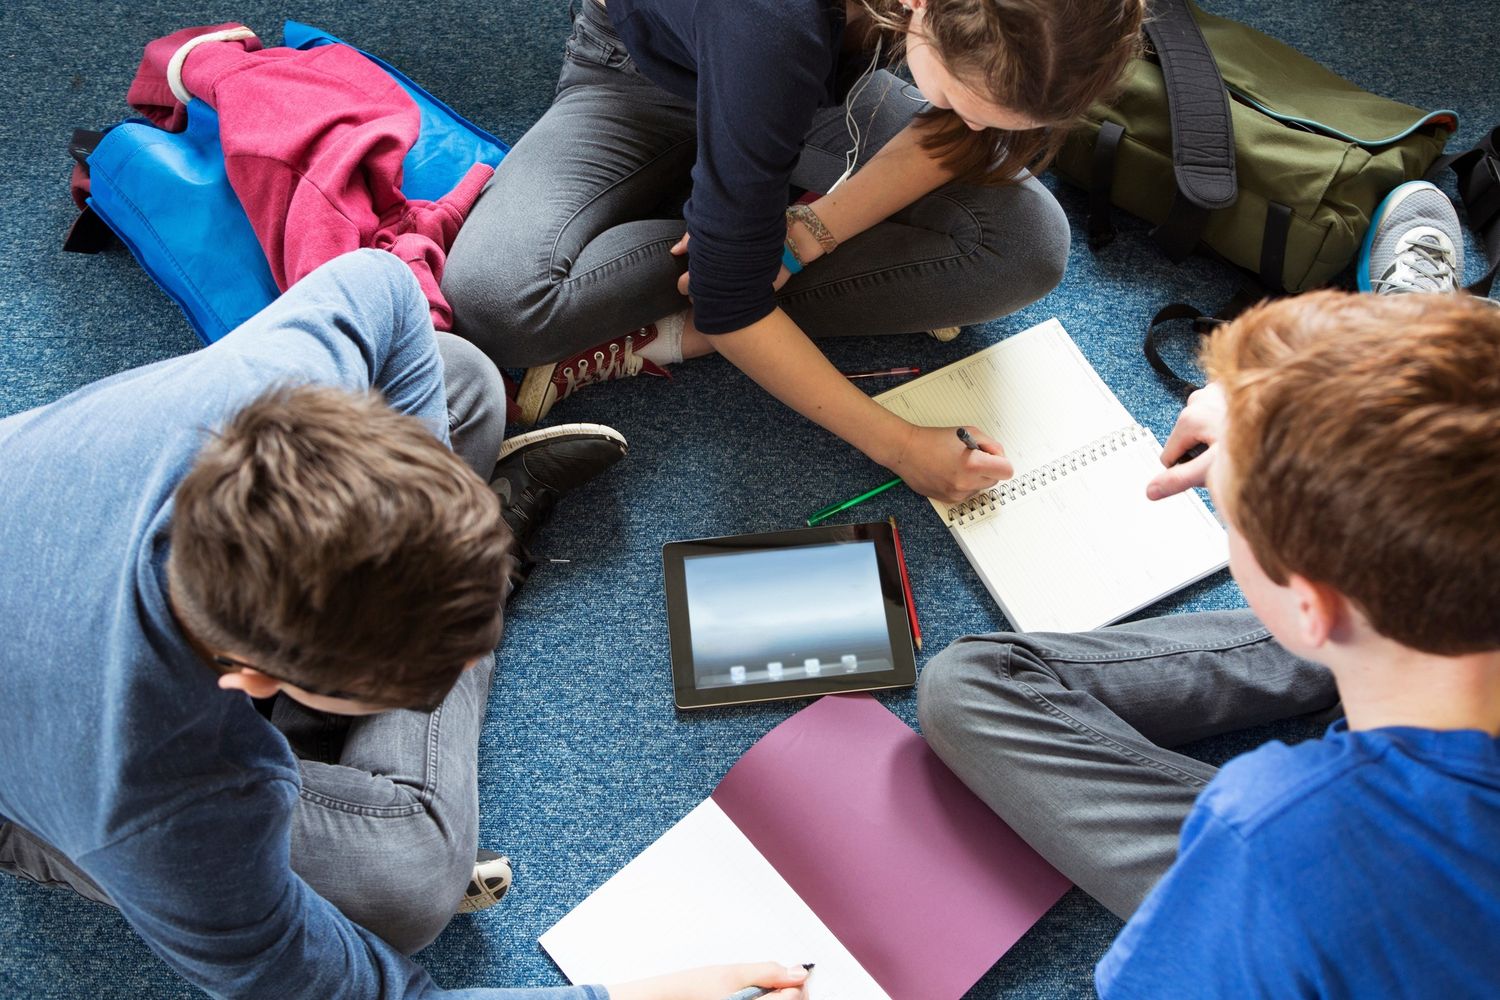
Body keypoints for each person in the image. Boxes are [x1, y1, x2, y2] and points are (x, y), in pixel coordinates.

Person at [0, 249, 811, 1000]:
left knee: (461, 379)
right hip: (45, 776)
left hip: (63, 541)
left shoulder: (282, 371)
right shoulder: (166, 813)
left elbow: (383, 283)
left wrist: (422, 509)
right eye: (420, 681)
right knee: (411, 881)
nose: (452, 672)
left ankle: (371, 666)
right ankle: (338, 731)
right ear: (252, 677)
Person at [917, 289, 1500, 996]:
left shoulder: (1275, 831)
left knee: (973, 683)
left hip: (1344, 895)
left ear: (1310, 606)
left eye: (1230, 519)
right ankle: (1382, 627)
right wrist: (1272, 418)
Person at [442, 0, 1144, 504]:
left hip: (823, 89)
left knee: (1025, 247)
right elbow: (730, 305)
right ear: (922, 10)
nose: (970, 125)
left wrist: (812, 226)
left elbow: (979, 131)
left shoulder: (1056, 26)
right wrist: (898, 446)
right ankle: (714, 245)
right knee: (501, 299)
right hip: (643, 84)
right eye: (960, 103)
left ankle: (670, 310)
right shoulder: (769, 27)